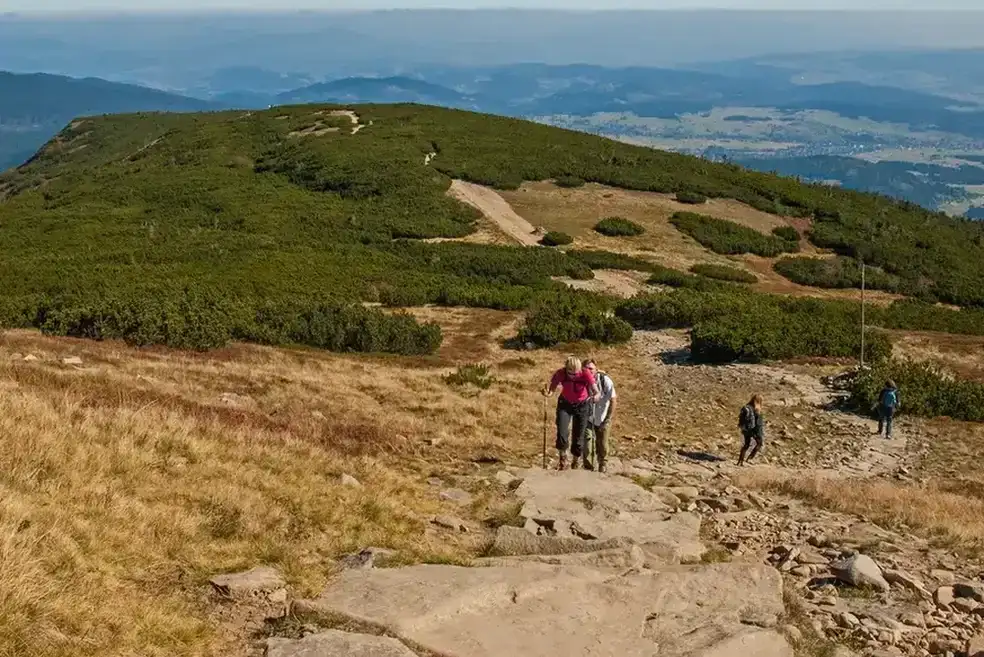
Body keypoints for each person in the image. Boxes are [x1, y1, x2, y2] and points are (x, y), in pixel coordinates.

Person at [543, 355, 600, 471]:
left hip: (582, 405)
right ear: (566, 369)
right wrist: (547, 394)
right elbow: (551, 390)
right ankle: (563, 459)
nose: (573, 376)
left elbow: (596, 390)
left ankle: (575, 460)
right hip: (565, 404)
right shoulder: (560, 373)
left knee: (579, 436)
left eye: (576, 373)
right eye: (570, 373)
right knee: (562, 432)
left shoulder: (585, 373)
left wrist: (597, 395)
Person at [584, 359, 617, 473]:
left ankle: (602, 464)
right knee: (588, 444)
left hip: (603, 417)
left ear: (596, 370)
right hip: (588, 417)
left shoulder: (605, 380)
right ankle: (588, 468)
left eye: (591, 368)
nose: (589, 371)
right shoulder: (582, 381)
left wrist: (608, 419)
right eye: (586, 369)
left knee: (602, 443)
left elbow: (613, 400)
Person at [737, 394, 765, 467]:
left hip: (746, 429)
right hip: (753, 430)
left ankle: (740, 461)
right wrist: (759, 433)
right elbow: (758, 423)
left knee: (746, 445)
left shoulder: (747, 407)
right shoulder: (756, 409)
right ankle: (750, 458)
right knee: (759, 443)